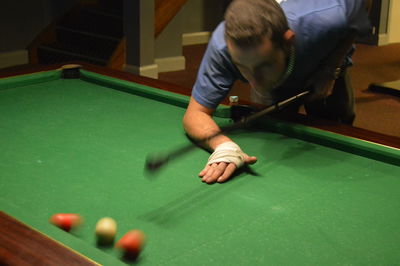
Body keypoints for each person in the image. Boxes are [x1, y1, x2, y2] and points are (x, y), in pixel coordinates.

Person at [183, 0, 371, 184]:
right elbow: (196, 113)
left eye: (264, 65)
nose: (254, 81)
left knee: (337, 129)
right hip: (279, 83)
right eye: (242, 66)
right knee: (272, 132)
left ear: (287, 40)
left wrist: (331, 68)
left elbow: (360, 8)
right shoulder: (222, 47)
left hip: (322, 58)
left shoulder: (327, 17)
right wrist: (224, 147)